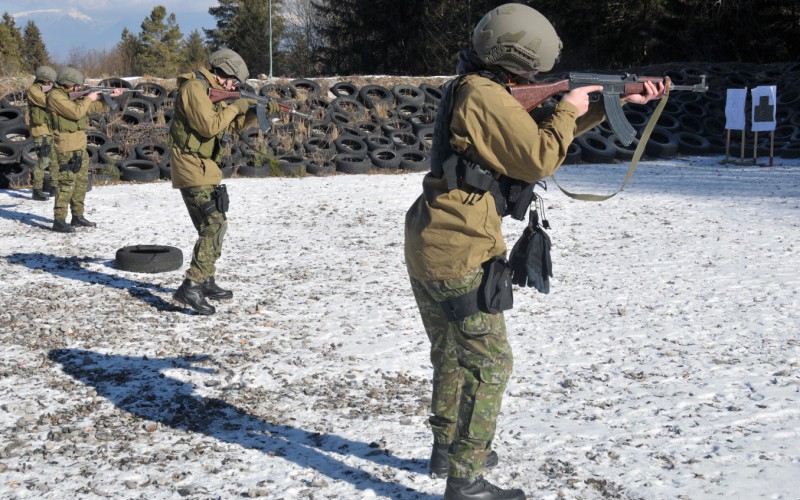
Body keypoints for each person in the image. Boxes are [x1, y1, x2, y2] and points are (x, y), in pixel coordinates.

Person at [403, 4, 664, 500]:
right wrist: (569, 105)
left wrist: (610, 103)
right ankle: (466, 479)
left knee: (451, 351)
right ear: (522, 54)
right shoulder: (485, 95)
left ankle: (449, 449)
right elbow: (539, 156)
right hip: (460, 245)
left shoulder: (475, 87)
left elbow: (536, 134)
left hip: (434, 237)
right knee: (491, 363)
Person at [169, 48, 279, 315]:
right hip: (191, 166)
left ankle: (206, 279)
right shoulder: (194, 89)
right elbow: (209, 126)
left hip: (205, 167)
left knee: (212, 224)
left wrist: (255, 112)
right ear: (222, 72)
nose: (233, 87)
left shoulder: (211, 92)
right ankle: (191, 286)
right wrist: (236, 106)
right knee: (214, 224)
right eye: (233, 82)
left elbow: (227, 127)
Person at [47, 67, 124, 233]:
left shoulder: (70, 95)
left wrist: (108, 98)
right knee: (66, 183)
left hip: (79, 144)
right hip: (66, 145)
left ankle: (77, 216)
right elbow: (76, 112)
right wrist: (89, 97)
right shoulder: (55, 96)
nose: (78, 88)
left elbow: (89, 109)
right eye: (76, 85)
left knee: (81, 182)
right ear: (67, 83)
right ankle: (59, 220)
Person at [26, 65, 57, 201]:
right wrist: (57, 94)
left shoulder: (46, 89)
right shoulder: (33, 90)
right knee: (43, 160)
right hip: (40, 131)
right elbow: (48, 102)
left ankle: (54, 187)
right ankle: (37, 190)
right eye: (49, 80)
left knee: (55, 160)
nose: (51, 82)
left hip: (51, 130)